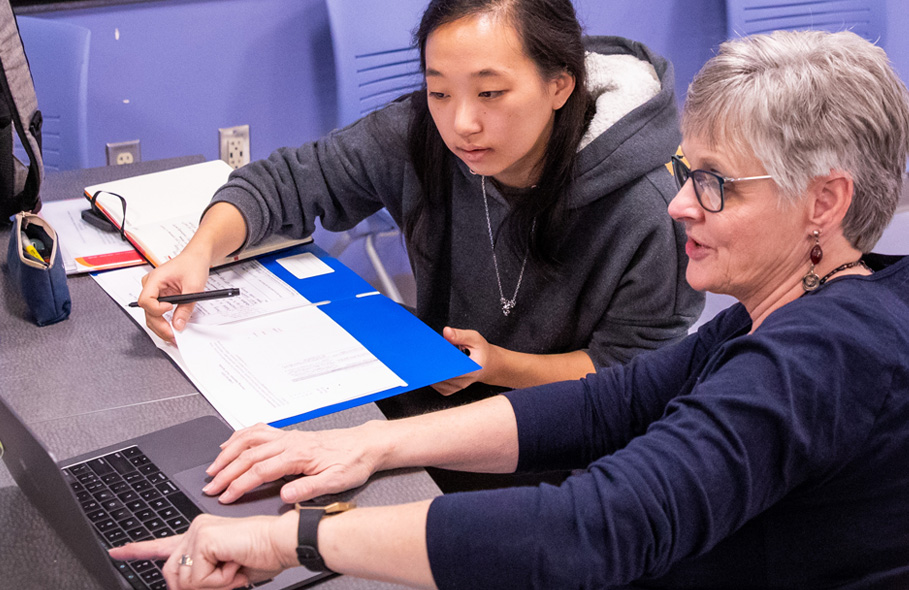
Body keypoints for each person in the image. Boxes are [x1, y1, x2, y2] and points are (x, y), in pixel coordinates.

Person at [111, 28, 909, 588]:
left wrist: (290, 539)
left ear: (823, 201)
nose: (679, 206)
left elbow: (592, 531)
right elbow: (611, 403)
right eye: (684, 171)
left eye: (714, 183)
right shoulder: (801, 301)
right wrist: (363, 448)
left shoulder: (827, 354)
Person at [135, 0, 702, 395]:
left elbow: (633, 373)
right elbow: (285, 181)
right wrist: (200, 252)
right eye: (438, 91)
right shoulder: (420, 133)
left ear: (559, 84)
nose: (462, 124)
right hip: (444, 392)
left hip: (568, 443)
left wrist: (501, 368)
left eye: (490, 92)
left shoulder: (652, 205)